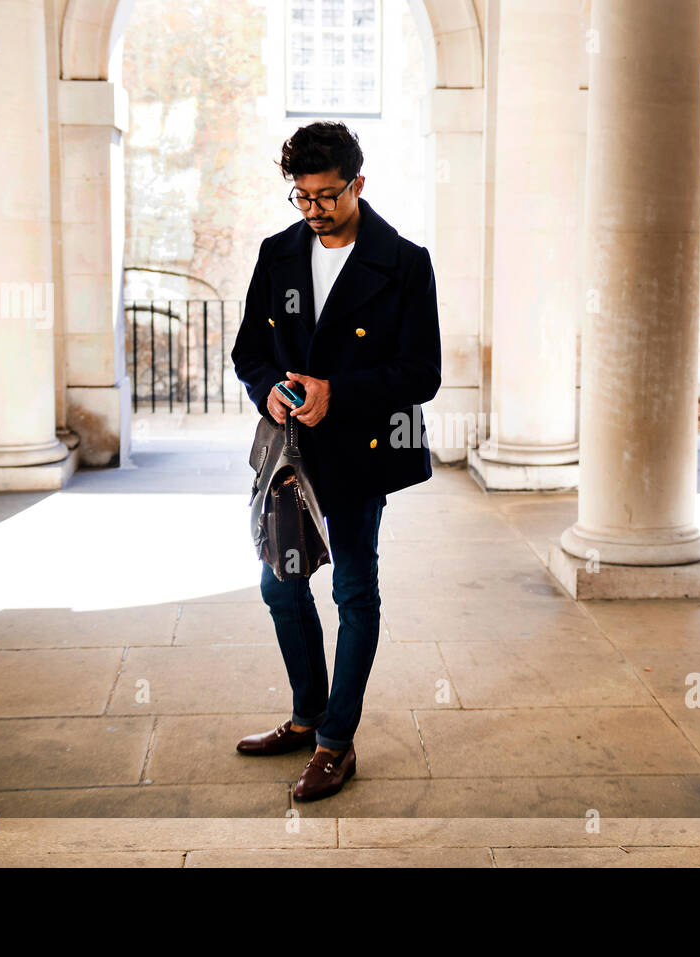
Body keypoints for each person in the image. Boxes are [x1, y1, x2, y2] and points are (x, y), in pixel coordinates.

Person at [230, 121, 442, 801]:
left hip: (359, 454)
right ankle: (306, 713)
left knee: (353, 591)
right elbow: (247, 353)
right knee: (279, 586)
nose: (314, 209)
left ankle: (334, 741)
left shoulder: (404, 262)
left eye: (327, 195)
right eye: (302, 196)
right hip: (292, 455)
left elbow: (422, 372)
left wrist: (337, 394)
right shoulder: (277, 252)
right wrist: (270, 389)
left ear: (357, 183)